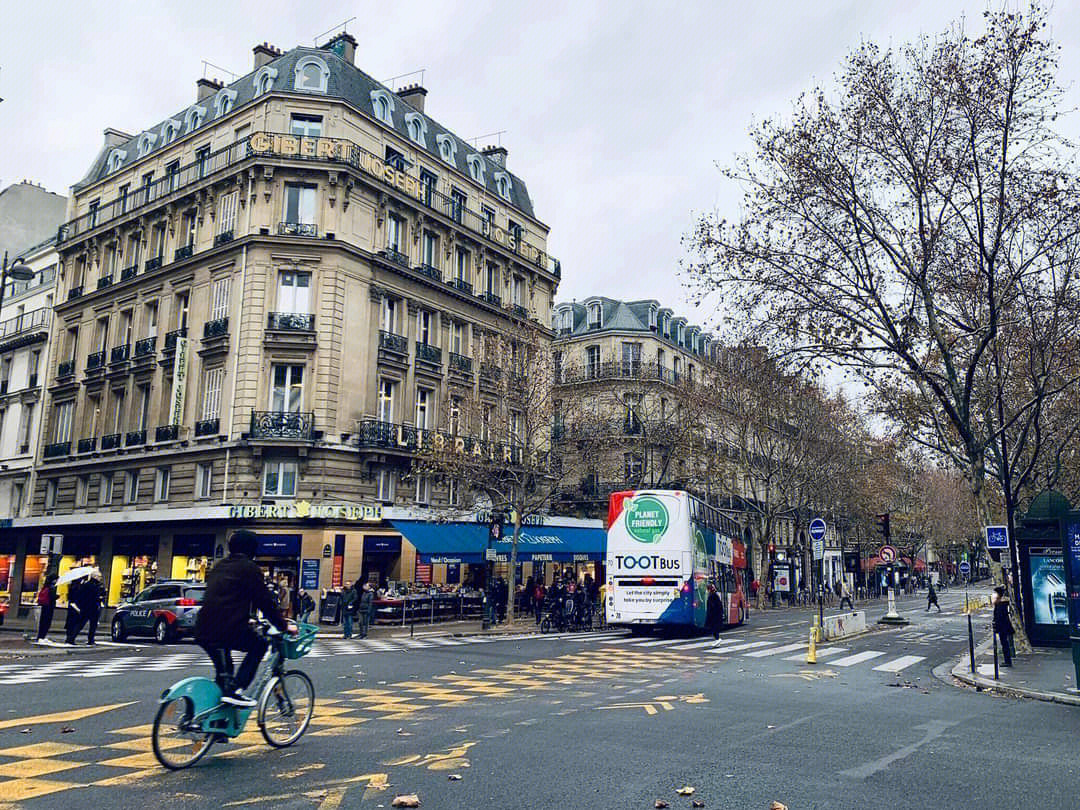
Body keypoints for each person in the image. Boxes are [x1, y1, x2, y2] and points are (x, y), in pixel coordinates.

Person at [194, 530, 292, 706]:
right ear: (253, 549)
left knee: (224, 675)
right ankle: (237, 690)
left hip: (203, 627)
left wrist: (248, 618)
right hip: (226, 628)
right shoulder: (248, 568)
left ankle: (218, 728)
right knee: (259, 644)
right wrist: (284, 625)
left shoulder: (220, 565)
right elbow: (264, 601)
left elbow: (225, 597)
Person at [80, 571, 105, 645]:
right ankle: (90, 639)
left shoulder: (88, 584)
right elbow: (95, 596)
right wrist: (99, 597)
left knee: (85, 623)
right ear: (95, 577)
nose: (100, 578)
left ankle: (73, 637)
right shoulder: (93, 585)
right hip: (92, 607)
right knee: (90, 624)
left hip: (88, 607)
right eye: (99, 577)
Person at [992, 585, 1014, 667]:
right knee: (1005, 643)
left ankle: (1007, 661)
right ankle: (1007, 660)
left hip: (1003, 627)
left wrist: (995, 626)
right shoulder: (1003, 604)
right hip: (1004, 626)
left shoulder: (1000, 605)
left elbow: (999, 617)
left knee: (1004, 643)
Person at [63, 576, 86, 645]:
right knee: (76, 624)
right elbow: (80, 598)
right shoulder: (79, 588)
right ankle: (71, 639)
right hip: (77, 607)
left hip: (71, 607)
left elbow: (69, 598)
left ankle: (69, 638)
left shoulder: (71, 587)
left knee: (70, 623)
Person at [36, 574, 57, 642]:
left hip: (44, 606)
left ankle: (40, 636)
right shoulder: (52, 587)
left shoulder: (45, 587)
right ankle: (42, 636)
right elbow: (52, 597)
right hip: (49, 607)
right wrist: (57, 596)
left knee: (42, 622)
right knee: (46, 622)